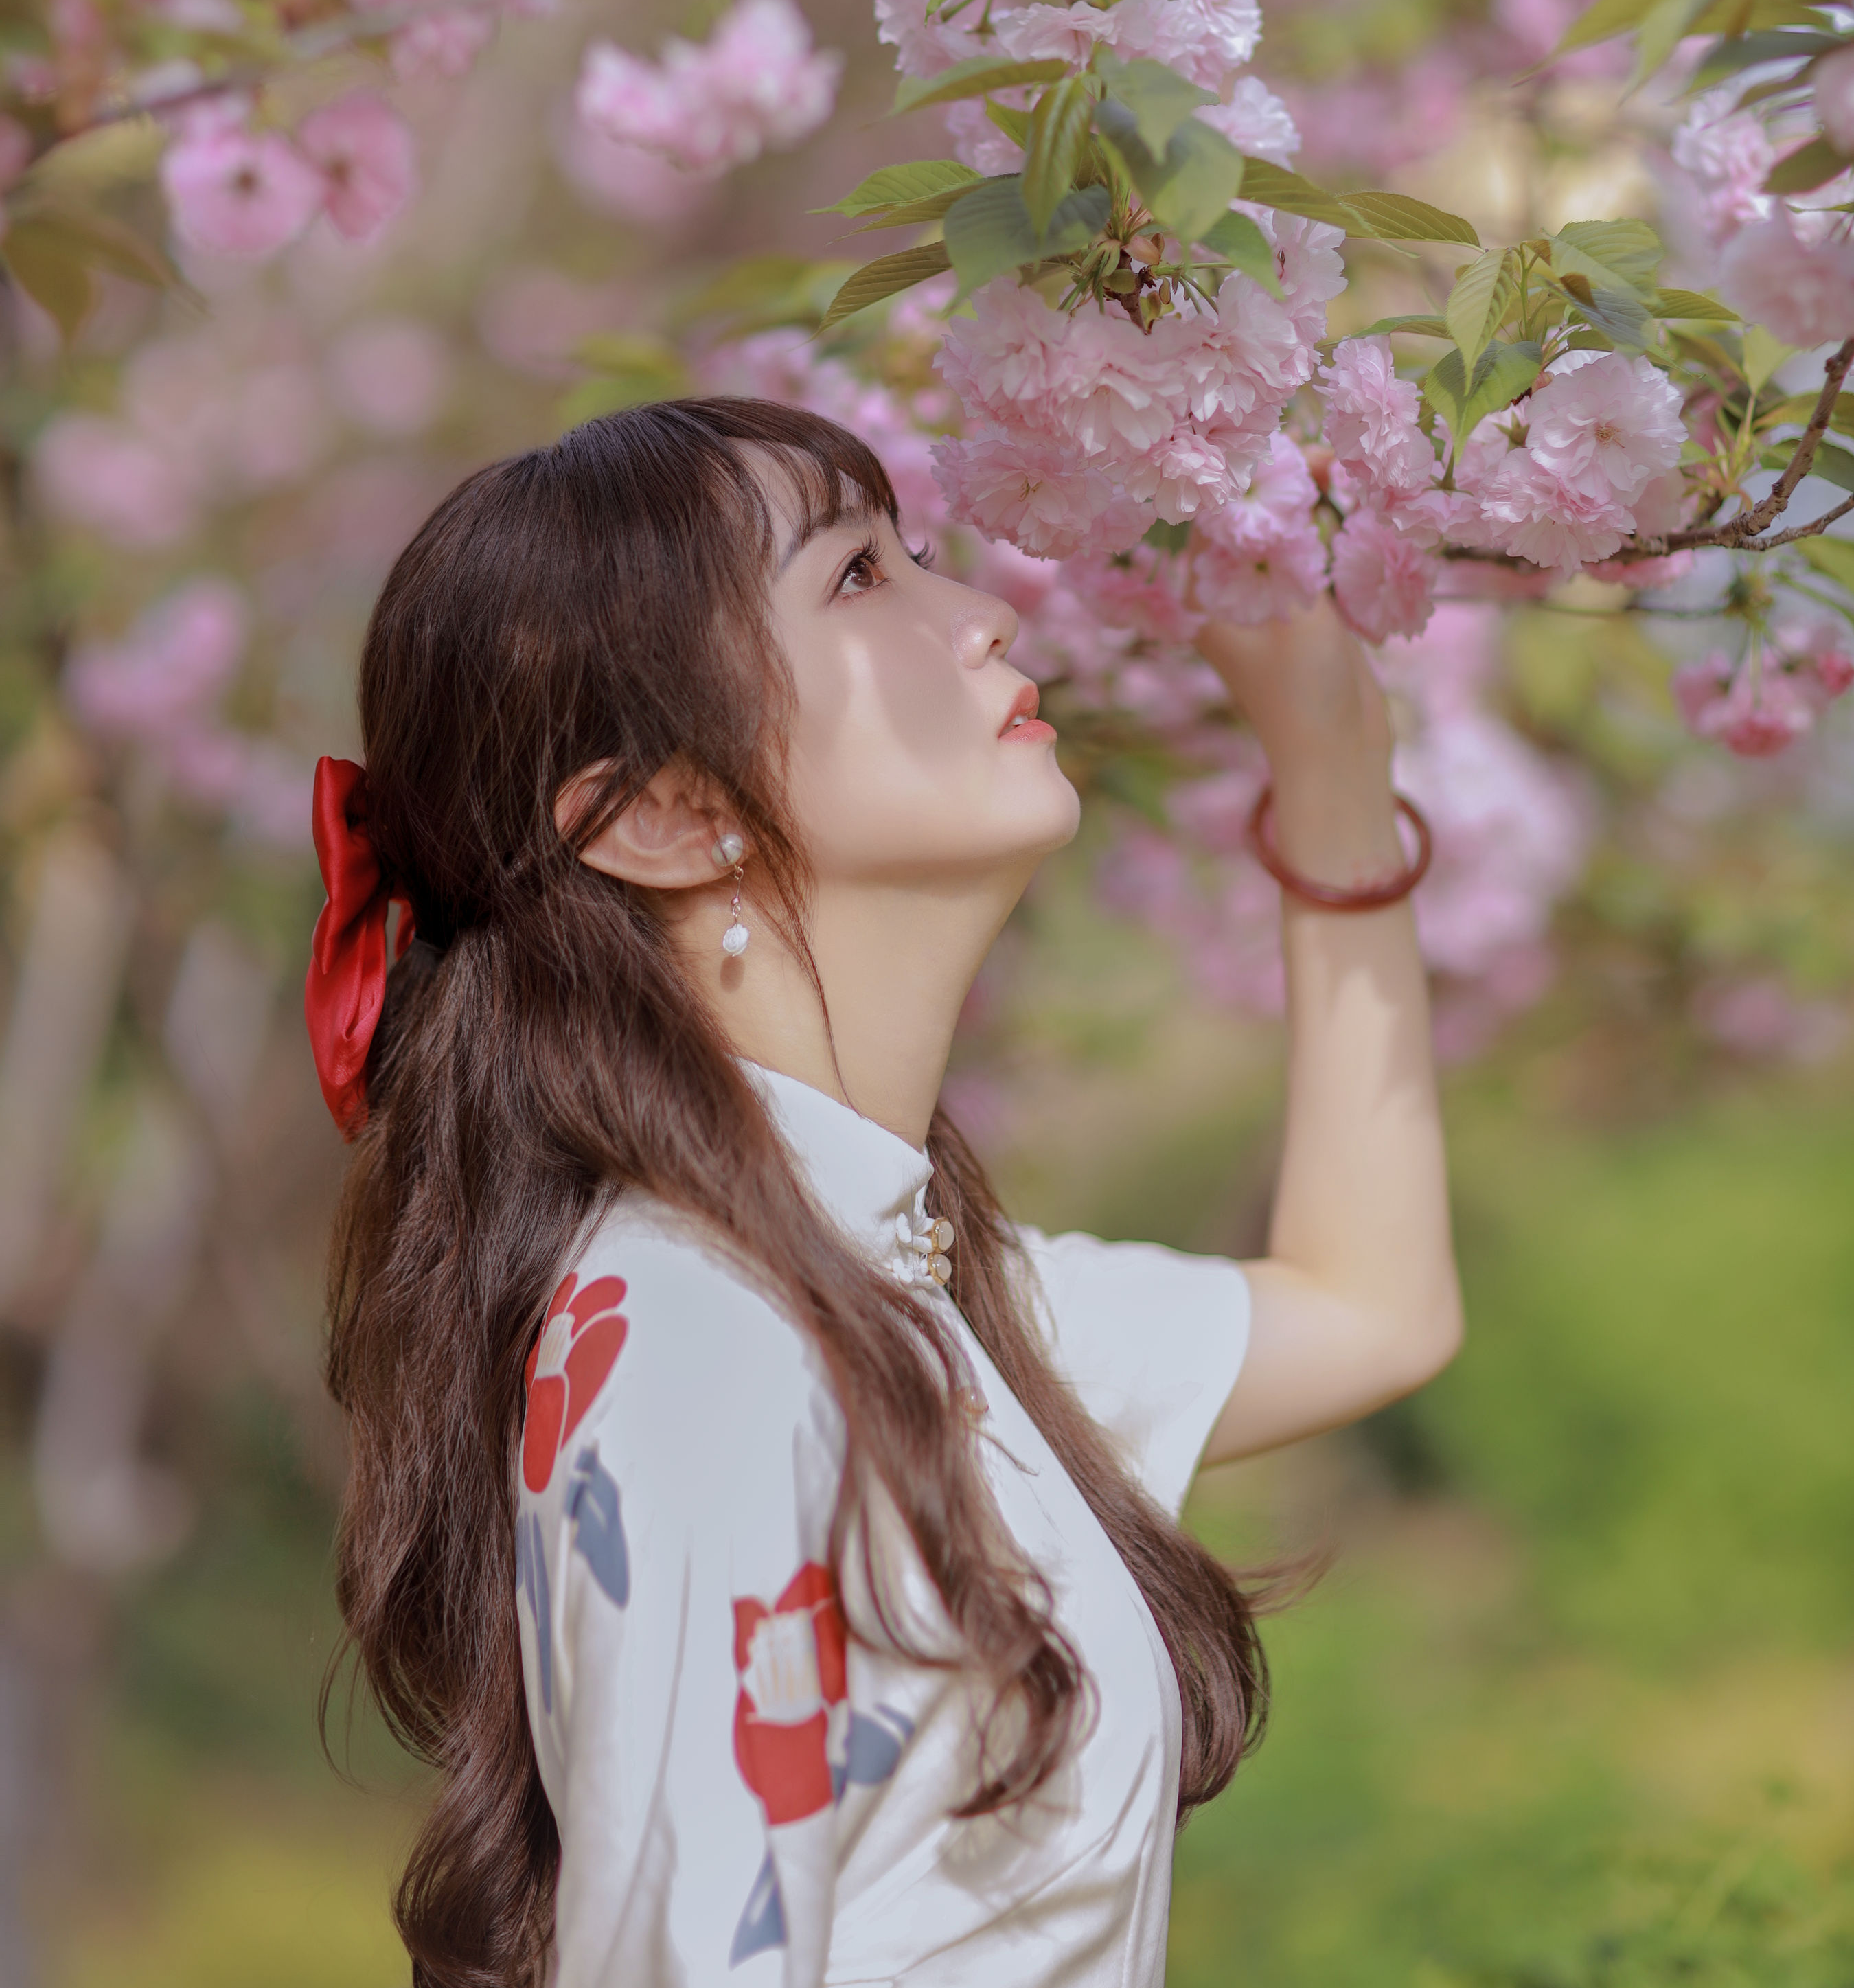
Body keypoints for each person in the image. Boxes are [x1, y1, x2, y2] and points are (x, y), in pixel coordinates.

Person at [313, 397, 1461, 1988]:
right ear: (667, 813)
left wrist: (1333, 763)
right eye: (860, 577)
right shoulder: (700, 1347)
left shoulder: (876, 1286)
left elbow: (1369, 1310)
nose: (983, 610)